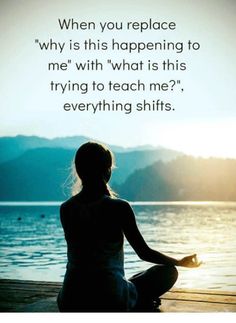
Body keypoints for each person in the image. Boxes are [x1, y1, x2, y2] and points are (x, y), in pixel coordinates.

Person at [57, 142, 201, 312]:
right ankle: (140, 302)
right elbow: (144, 253)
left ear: (79, 171)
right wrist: (179, 262)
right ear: (107, 170)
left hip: (71, 300)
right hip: (110, 299)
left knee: (129, 279)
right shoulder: (119, 207)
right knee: (168, 272)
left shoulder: (66, 208)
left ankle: (134, 295)